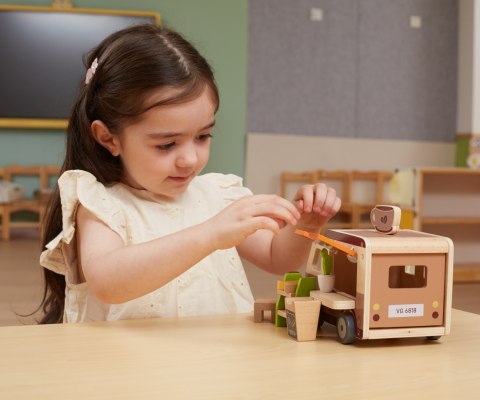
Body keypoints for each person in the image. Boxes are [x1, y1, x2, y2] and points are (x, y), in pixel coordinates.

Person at [39, 24, 341, 324]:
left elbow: (277, 258)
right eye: (166, 144)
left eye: (202, 136)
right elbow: (107, 282)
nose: (190, 159)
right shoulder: (101, 204)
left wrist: (307, 224)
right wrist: (209, 234)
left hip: (215, 352)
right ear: (109, 138)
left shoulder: (218, 196)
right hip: (131, 356)